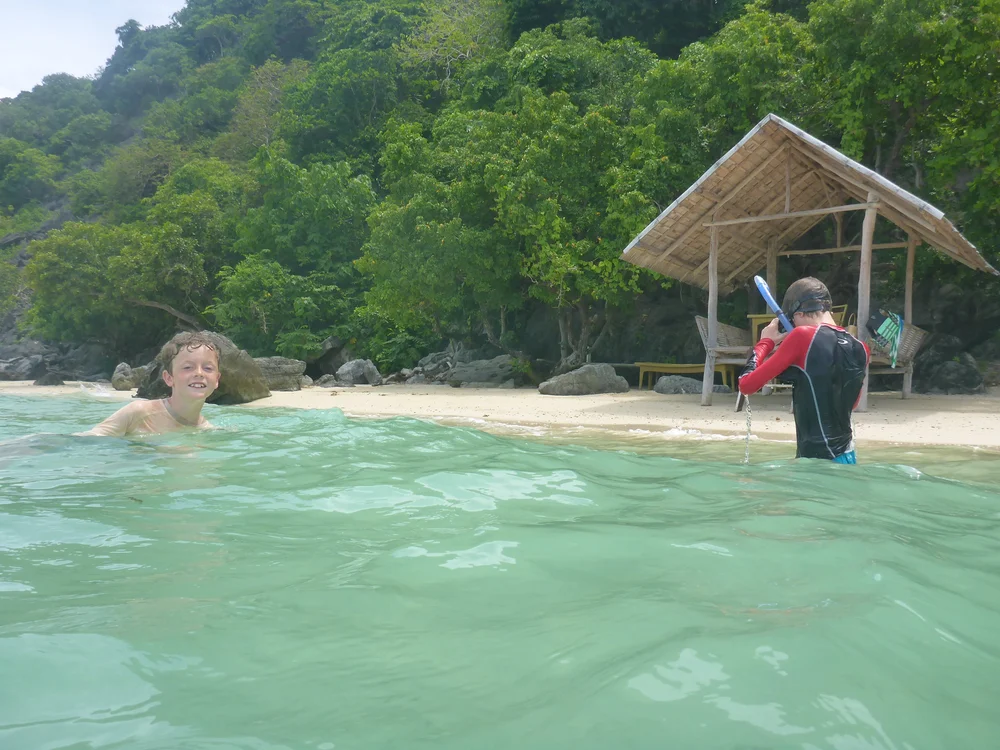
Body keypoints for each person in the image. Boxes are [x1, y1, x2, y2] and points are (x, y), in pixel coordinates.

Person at [738, 277, 869, 463]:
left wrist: (765, 342)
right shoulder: (860, 348)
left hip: (816, 464)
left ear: (797, 314)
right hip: (847, 457)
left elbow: (746, 384)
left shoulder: (802, 336)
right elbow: (851, 403)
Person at [81, 332, 221, 437]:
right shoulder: (139, 413)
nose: (199, 373)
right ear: (168, 378)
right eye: (187, 367)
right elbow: (89, 440)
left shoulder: (208, 431)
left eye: (207, 368)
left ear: (217, 380)